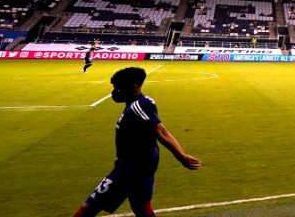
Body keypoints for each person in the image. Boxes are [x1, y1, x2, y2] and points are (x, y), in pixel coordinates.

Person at [70, 67, 200, 217]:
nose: (115, 92)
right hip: (143, 165)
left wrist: (181, 156)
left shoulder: (138, 107)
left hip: (130, 168)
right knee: (142, 208)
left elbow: (160, 131)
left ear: (132, 87)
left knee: (87, 208)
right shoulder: (143, 102)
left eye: (118, 88)